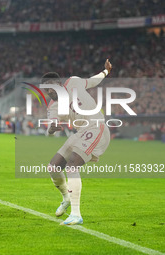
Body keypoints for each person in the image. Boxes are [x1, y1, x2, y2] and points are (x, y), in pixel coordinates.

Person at [44, 59, 112, 225]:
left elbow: (93, 80)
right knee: (53, 167)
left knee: (72, 166)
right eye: (47, 89)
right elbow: (50, 130)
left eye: (52, 86)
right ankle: (66, 198)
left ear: (59, 84)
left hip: (96, 126)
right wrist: (52, 128)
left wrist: (106, 72)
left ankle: (76, 214)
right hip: (81, 132)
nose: (50, 91)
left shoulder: (74, 81)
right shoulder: (53, 107)